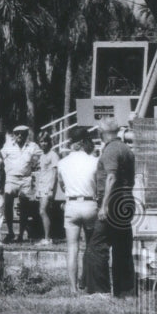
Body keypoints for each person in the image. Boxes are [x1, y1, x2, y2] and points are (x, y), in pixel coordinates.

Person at [83, 118, 136, 297]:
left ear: (100, 133)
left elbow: (111, 177)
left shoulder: (111, 150)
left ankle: (99, 290)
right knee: (122, 247)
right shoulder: (126, 149)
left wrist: (104, 206)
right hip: (126, 200)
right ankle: (126, 291)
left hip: (113, 202)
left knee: (96, 247)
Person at [57, 126, 99, 293]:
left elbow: (61, 184)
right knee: (91, 247)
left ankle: (73, 288)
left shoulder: (62, 163)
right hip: (90, 204)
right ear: (83, 142)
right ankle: (88, 283)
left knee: (72, 248)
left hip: (72, 204)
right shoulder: (94, 161)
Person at [1, 125, 42, 243]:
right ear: (14, 135)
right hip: (11, 179)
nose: (20, 135)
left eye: (22, 133)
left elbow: (42, 156)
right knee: (7, 203)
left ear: (27, 134)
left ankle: (20, 234)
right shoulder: (8, 146)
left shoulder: (33, 146)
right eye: (17, 133)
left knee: (24, 207)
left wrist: (37, 163)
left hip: (26, 180)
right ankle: (10, 232)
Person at [35, 133, 59, 245]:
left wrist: (50, 189)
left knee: (43, 210)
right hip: (41, 186)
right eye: (41, 141)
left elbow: (55, 173)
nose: (43, 143)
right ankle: (47, 236)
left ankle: (47, 238)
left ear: (49, 142)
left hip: (48, 187)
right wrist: (37, 189)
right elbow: (41, 172)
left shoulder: (53, 155)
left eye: (45, 141)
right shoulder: (42, 155)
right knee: (43, 211)